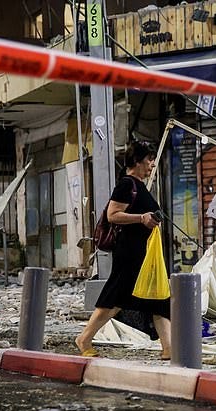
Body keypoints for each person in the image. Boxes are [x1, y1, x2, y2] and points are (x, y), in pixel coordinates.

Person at [76, 140, 171, 359]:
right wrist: (142, 218)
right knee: (116, 298)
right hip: (130, 253)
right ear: (137, 162)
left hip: (145, 254)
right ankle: (84, 339)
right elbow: (113, 214)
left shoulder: (139, 185)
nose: (151, 164)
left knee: (159, 299)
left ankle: (169, 349)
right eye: (148, 160)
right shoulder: (127, 184)